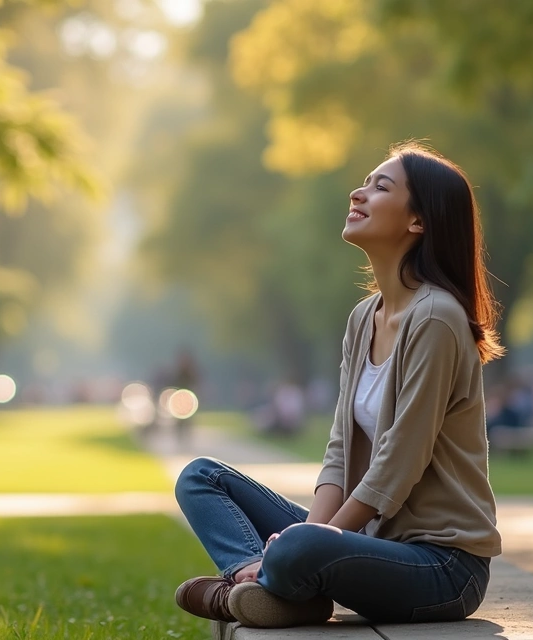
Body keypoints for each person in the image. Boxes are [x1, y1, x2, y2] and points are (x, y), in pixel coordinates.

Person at [173, 143, 503, 628]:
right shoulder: (362, 318)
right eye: (365, 182)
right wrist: (307, 540)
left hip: (443, 568)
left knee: (304, 543)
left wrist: (309, 542)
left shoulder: (436, 318)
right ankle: (263, 584)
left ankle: (268, 583)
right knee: (201, 477)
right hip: (371, 543)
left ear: (417, 222)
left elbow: (399, 462)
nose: (358, 192)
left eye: (380, 186)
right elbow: (338, 454)